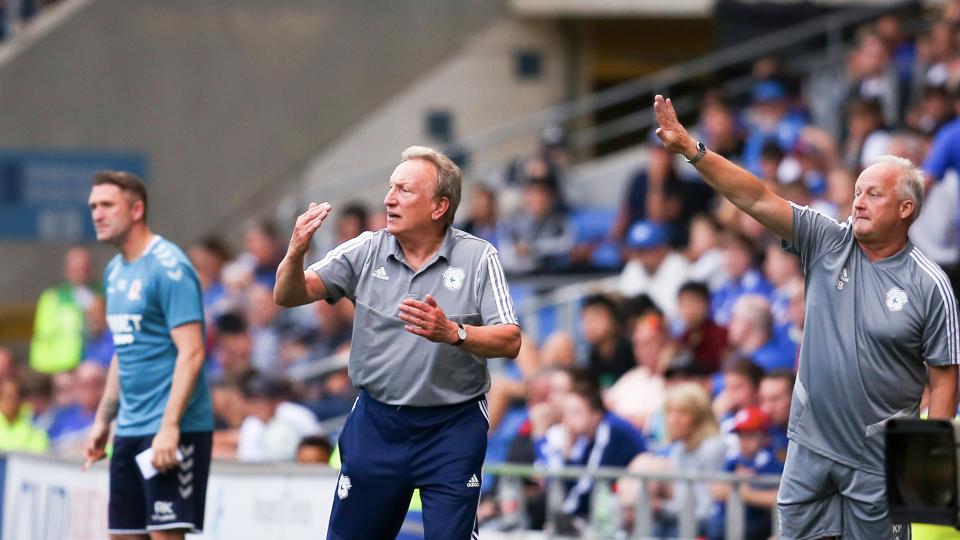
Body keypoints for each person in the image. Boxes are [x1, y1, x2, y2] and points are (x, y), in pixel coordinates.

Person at [655, 94, 958, 539]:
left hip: (878, 459)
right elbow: (757, 198)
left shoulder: (930, 285)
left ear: (905, 209)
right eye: (856, 192)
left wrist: (922, 477)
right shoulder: (827, 241)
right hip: (809, 448)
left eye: (873, 195)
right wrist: (693, 151)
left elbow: (945, 380)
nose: (858, 202)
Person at [274, 145, 522, 540]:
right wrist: (295, 252)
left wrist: (454, 333)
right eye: (391, 188)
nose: (389, 198)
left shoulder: (479, 257)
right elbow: (289, 295)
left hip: (451, 428)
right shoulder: (366, 248)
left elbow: (510, 339)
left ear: (440, 206)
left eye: (404, 190)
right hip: (377, 424)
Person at [83, 171, 214, 539]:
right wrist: (103, 420)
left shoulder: (169, 266)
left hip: (173, 430)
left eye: (107, 205)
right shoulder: (114, 271)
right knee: (122, 534)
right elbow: (123, 350)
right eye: (94, 206)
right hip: (129, 429)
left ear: (136, 209)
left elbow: (192, 352)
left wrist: (169, 426)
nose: (97, 213)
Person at [30, 246, 97, 373]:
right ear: (67, 270)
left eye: (84, 268)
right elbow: (43, 337)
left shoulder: (100, 295)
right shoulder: (52, 297)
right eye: (75, 268)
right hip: (57, 368)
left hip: (91, 367)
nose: (80, 273)